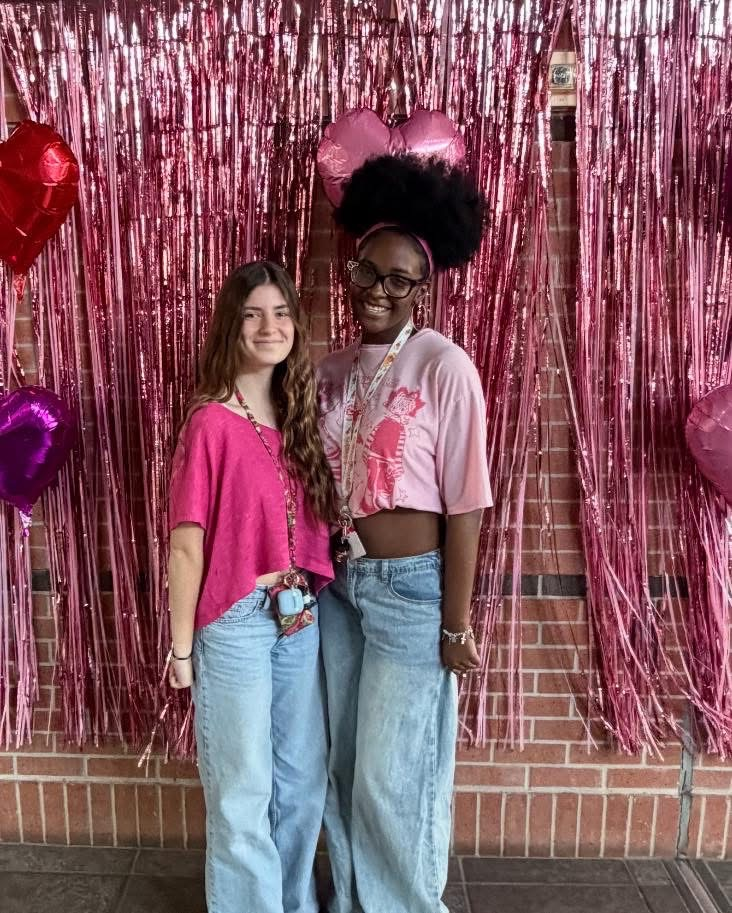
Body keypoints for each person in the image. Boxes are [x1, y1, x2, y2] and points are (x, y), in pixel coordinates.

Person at [317, 154, 493, 913]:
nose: (380, 292)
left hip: (412, 593)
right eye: (368, 274)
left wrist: (455, 622)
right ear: (350, 274)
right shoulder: (327, 371)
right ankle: (355, 901)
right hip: (338, 587)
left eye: (399, 280)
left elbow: (468, 505)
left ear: (422, 288)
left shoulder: (445, 366)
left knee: (395, 775)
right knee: (343, 763)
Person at [167, 260, 335, 913]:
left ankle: (290, 902)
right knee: (243, 788)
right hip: (235, 622)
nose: (270, 326)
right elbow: (187, 545)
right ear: (231, 328)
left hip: (297, 619)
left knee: (299, 782)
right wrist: (183, 651)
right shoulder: (210, 422)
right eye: (253, 313)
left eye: (281, 312)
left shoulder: (297, 420)